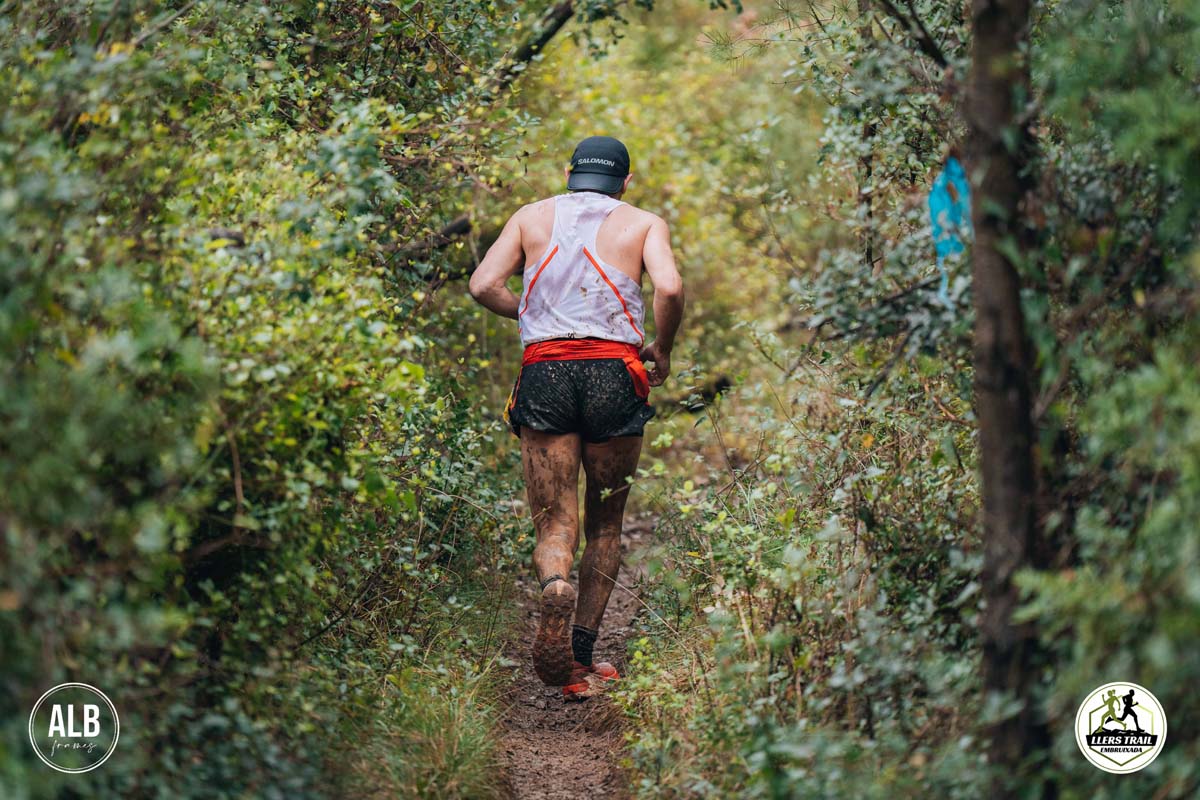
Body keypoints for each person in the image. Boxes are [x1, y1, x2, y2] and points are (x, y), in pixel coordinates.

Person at [468, 135, 684, 693]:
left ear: (569, 173)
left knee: (555, 522)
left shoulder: (530, 216)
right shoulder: (644, 223)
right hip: (615, 374)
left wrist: (531, 313)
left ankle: (554, 587)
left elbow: (482, 284)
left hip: (547, 372)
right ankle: (581, 658)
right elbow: (668, 287)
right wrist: (661, 349)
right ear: (625, 182)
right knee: (605, 524)